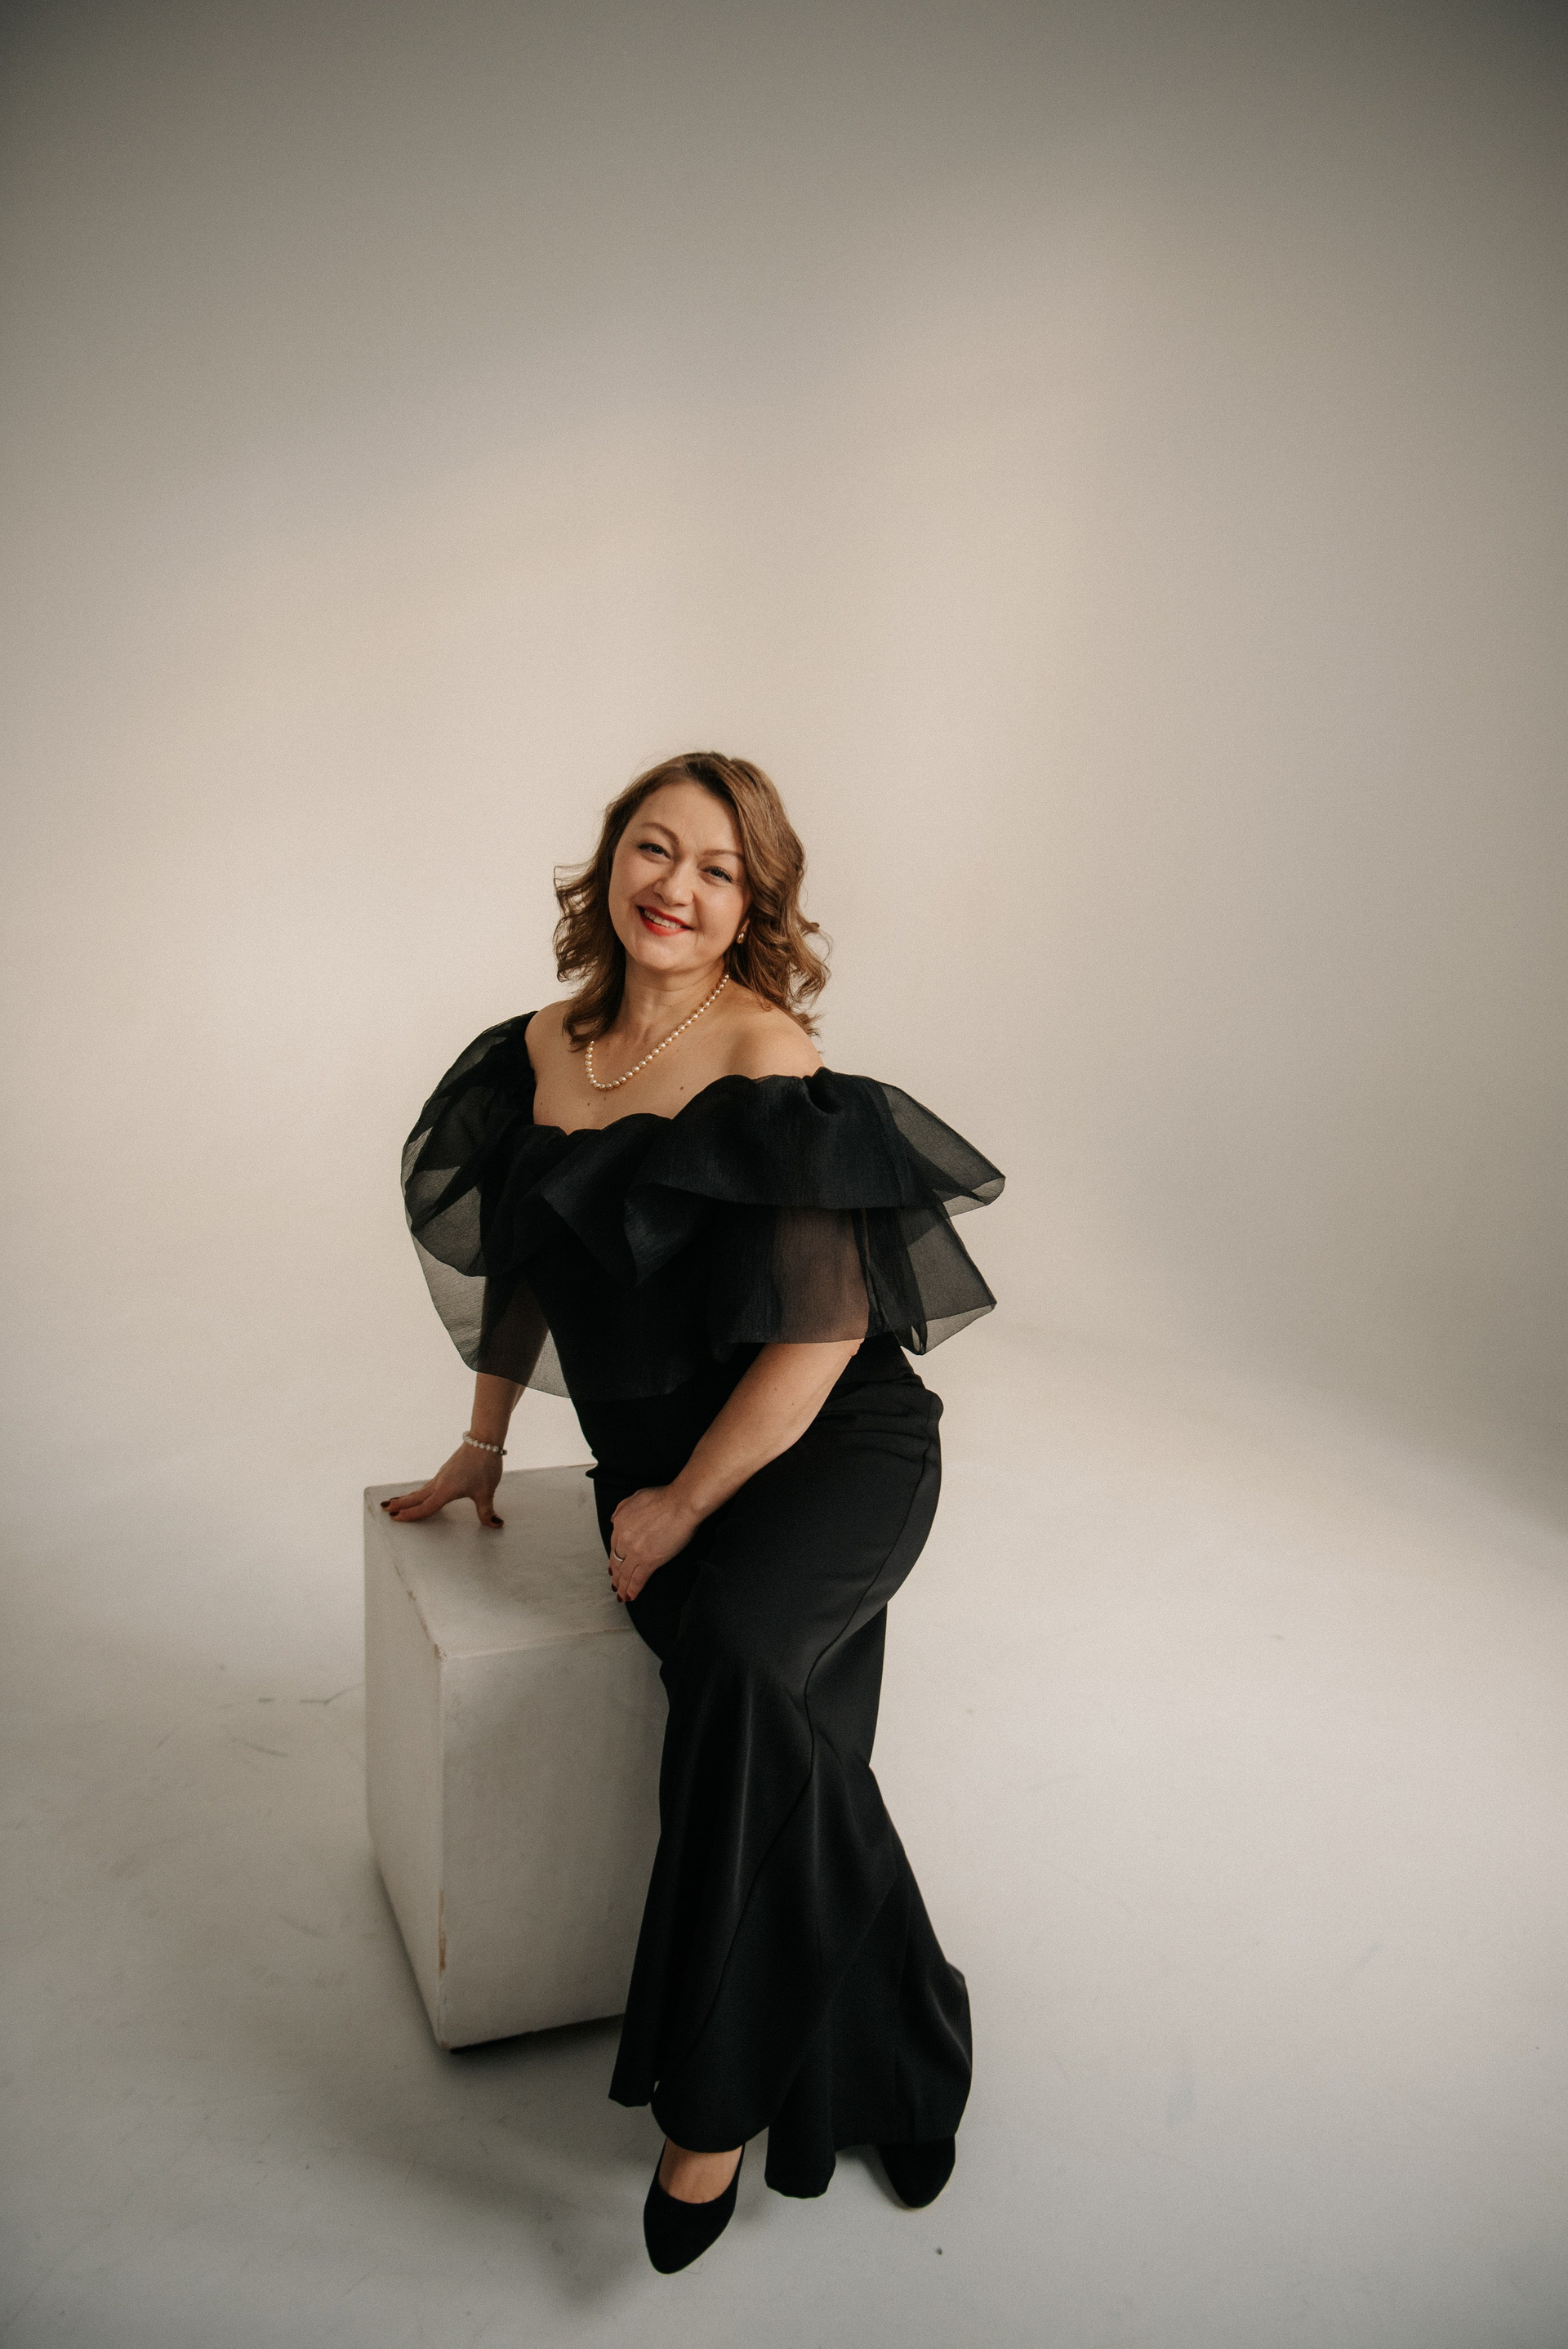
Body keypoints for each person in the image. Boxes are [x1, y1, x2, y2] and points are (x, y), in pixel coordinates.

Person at [385, 751, 1003, 2272]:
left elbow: (819, 1345)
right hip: (659, 1469)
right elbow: (529, 1270)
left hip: (826, 1452)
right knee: (793, 1747)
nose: (677, 886)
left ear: (754, 905)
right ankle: (906, 2046)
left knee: (735, 1662)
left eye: (719, 870)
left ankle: (707, 2117)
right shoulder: (536, 1052)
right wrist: (481, 1441)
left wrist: (674, 1508)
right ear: (609, 862)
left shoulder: (767, 1057)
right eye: (655, 850)